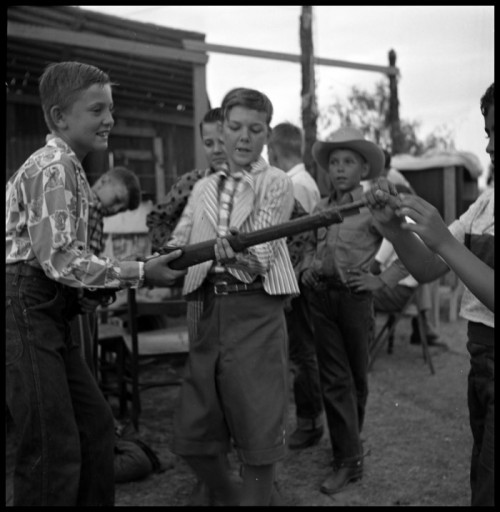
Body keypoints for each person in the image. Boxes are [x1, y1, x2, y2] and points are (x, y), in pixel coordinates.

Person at [5, 61, 185, 507]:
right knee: (52, 445)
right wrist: (141, 271)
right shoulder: (52, 168)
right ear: (59, 117)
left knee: (95, 425)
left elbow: (62, 264)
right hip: (25, 306)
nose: (110, 119)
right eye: (97, 109)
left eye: (111, 109)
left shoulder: (72, 170)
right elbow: (62, 260)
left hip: (48, 305)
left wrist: (87, 291)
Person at [168, 87, 299, 506]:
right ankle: (230, 496)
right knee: (195, 430)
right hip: (207, 308)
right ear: (221, 129)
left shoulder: (276, 183)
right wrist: (159, 261)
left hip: (256, 310)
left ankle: (256, 499)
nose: (244, 137)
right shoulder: (204, 186)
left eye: (255, 129)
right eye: (236, 127)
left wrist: (232, 249)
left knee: (259, 428)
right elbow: (179, 241)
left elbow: (260, 256)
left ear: (267, 135)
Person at [365, 82, 494, 506]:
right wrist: (395, 230)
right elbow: (425, 269)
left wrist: (443, 241)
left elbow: (443, 251)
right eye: (488, 133)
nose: (490, 146)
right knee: (482, 469)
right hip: (482, 357)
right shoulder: (485, 205)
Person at [300, 126, 386, 495]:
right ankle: (347, 458)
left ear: (363, 169)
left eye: (348, 161)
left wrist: (380, 279)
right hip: (321, 298)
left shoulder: (372, 205)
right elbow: (308, 244)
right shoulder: (321, 206)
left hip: (354, 298)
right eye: (334, 162)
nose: (339, 168)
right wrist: (306, 268)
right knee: (334, 379)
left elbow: (402, 240)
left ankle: (349, 445)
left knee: (356, 378)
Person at [267, 122, 324, 450]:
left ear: (273, 150)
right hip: (296, 281)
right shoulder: (301, 182)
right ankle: (309, 419)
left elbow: (299, 242)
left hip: (298, 284)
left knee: (302, 354)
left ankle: (310, 421)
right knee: (301, 353)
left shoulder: (295, 186)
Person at [349, 184, 442, 348]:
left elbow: (375, 266)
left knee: (352, 292)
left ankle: (359, 347)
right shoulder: (412, 222)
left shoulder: (396, 224)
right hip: (407, 292)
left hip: (397, 292)